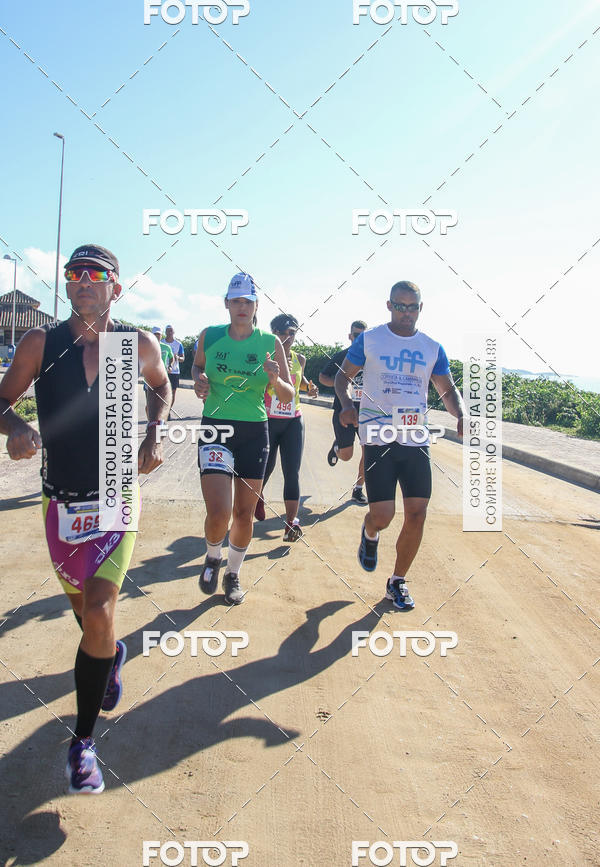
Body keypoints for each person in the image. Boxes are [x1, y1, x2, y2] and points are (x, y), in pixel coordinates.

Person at [0, 243, 170, 794]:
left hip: (117, 495)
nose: (81, 282)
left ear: (116, 287)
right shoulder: (40, 342)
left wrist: (152, 430)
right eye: (73, 274)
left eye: (94, 275)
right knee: (88, 617)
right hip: (62, 501)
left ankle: (83, 743)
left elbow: (162, 386)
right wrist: (15, 430)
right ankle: (110, 653)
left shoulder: (134, 344)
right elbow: (1, 402)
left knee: (98, 610)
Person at [335, 281, 464, 610]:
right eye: (400, 305)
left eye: (412, 306)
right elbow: (342, 377)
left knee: (417, 513)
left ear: (421, 308)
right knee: (383, 515)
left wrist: (461, 413)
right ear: (388, 305)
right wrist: (347, 405)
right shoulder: (371, 339)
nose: (406, 312)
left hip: (414, 437)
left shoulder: (432, 347)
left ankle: (397, 581)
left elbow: (447, 391)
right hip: (378, 436)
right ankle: (369, 530)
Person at [192, 273, 294, 604]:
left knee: (243, 514)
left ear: (256, 306)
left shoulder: (270, 343)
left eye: (247, 302)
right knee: (219, 512)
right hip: (216, 428)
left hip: (254, 431)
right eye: (236, 301)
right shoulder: (209, 336)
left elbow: (289, 395)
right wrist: (200, 381)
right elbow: (196, 368)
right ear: (226, 303)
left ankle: (233, 574)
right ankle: (212, 556)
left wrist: (275, 380)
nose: (241, 307)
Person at [255, 314, 319, 541]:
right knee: (266, 468)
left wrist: (310, 389)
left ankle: (291, 523)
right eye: (281, 333)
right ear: (273, 332)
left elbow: (300, 382)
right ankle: (258, 495)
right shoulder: (263, 357)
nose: (287, 337)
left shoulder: (299, 358)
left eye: (291, 333)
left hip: (293, 420)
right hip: (269, 420)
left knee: (292, 472)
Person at [319, 320, 367, 503]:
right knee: (347, 456)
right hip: (344, 413)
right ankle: (338, 447)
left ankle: (358, 489)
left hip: (367, 413)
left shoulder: (373, 356)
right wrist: (340, 382)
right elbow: (323, 377)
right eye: (356, 335)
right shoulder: (342, 356)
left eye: (363, 335)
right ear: (350, 336)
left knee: (368, 452)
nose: (359, 339)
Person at [164, 325, 185, 418]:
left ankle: (168, 410)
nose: (169, 333)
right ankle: (162, 410)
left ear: (174, 332)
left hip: (175, 372)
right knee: (163, 392)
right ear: (165, 332)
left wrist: (178, 357)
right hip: (163, 371)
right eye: (168, 331)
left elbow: (183, 358)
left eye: (171, 331)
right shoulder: (161, 342)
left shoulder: (178, 344)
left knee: (172, 393)